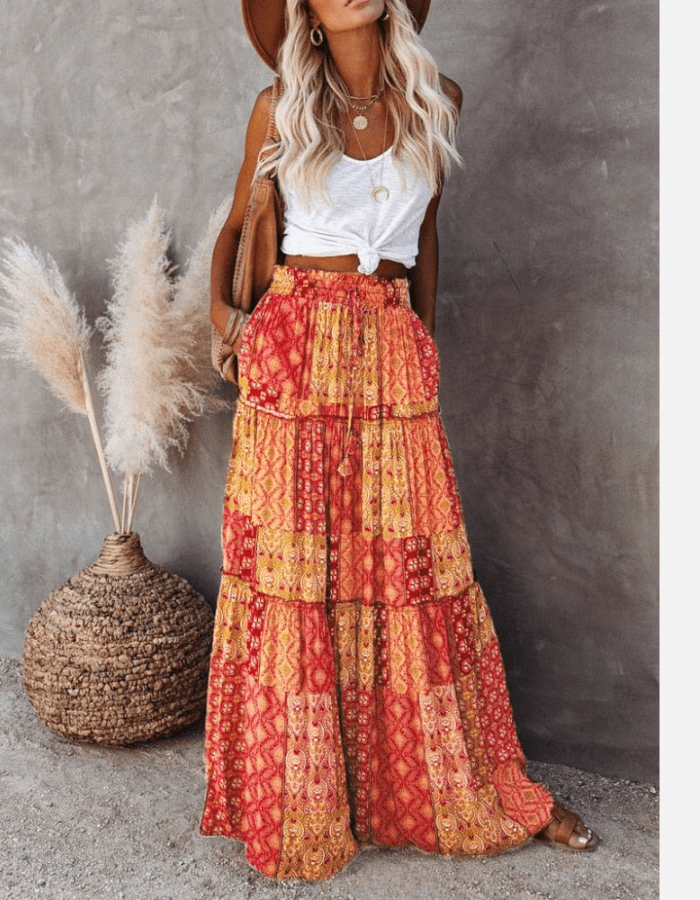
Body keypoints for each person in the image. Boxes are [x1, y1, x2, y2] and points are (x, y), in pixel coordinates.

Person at [201, 0, 597, 881]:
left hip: (390, 346)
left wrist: (425, 347)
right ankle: (303, 796)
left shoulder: (437, 99)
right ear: (304, 12)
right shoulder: (279, 108)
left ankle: (454, 785)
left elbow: (426, 235)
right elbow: (235, 228)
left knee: (408, 575)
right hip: (295, 347)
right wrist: (226, 324)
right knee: (301, 582)